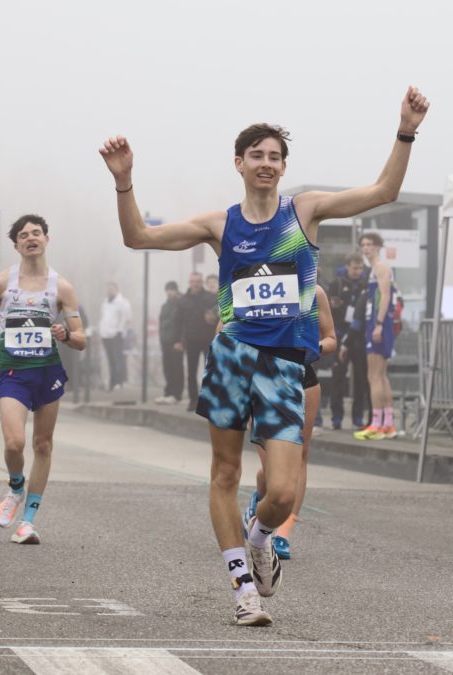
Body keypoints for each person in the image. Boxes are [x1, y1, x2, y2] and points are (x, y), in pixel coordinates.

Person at [99, 84, 430, 626]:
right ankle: (243, 591)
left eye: (276, 157)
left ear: (284, 166)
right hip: (232, 357)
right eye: (257, 155)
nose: (267, 164)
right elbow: (138, 236)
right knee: (225, 473)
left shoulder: (306, 211)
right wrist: (123, 182)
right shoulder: (220, 225)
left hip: (283, 364)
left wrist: (406, 130)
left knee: (281, 491)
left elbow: (383, 191)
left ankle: (259, 538)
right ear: (239, 163)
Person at [0, 215, 86, 545]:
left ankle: (28, 522)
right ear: (16, 245)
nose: (31, 238)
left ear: (46, 239)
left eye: (36, 233)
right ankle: (15, 486)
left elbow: (81, 337)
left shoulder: (61, 287)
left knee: (43, 444)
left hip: (47, 373)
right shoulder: (3, 282)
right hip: (12, 373)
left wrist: (65, 334)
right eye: (24, 235)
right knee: (14, 443)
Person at [243, 285, 337, 560]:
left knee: (299, 459)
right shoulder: (252, 285)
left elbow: (331, 338)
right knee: (272, 469)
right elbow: (223, 334)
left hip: (303, 379)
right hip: (260, 381)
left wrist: (314, 347)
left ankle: (282, 532)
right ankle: (259, 502)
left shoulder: (315, 292)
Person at [354, 232, 399, 441]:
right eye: (363, 244)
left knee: (373, 376)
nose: (366, 248)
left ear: (378, 247)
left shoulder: (381, 267)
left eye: (370, 244)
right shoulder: (375, 269)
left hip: (379, 323)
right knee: (380, 376)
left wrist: (379, 324)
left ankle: (377, 424)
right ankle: (388, 424)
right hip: (378, 323)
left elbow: (386, 296)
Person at [327, 253, 370, 429]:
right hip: (340, 334)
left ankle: (358, 417)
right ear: (347, 267)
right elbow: (329, 310)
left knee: (361, 379)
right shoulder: (336, 284)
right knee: (338, 378)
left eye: (360, 268)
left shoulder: (366, 285)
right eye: (354, 268)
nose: (357, 271)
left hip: (359, 338)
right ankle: (336, 417)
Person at [179, 271, 218, 411]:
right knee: (191, 372)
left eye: (198, 281)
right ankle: (193, 400)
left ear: (202, 283)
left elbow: (219, 315)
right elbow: (179, 322)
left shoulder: (211, 297)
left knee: (210, 370)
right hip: (191, 341)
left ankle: (208, 399)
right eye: (193, 281)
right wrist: (180, 340)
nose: (195, 284)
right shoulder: (183, 300)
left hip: (208, 339)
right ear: (189, 283)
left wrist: (213, 318)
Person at [98, 281, 131, 391]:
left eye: (111, 289)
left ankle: (118, 382)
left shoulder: (122, 302)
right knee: (110, 360)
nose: (109, 291)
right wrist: (101, 330)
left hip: (116, 335)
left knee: (118, 359)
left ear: (116, 289)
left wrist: (119, 330)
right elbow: (104, 317)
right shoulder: (105, 302)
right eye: (108, 289)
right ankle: (112, 382)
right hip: (105, 334)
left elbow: (126, 318)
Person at [155, 281, 184, 404]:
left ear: (176, 290)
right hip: (165, 341)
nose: (169, 292)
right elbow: (161, 324)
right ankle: (168, 392)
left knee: (177, 368)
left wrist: (181, 341)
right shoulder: (165, 306)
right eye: (167, 289)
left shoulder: (181, 304)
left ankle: (176, 395)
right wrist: (161, 339)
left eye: (171, 289)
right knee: (167, 368)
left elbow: (184, 325)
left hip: (176, 342)